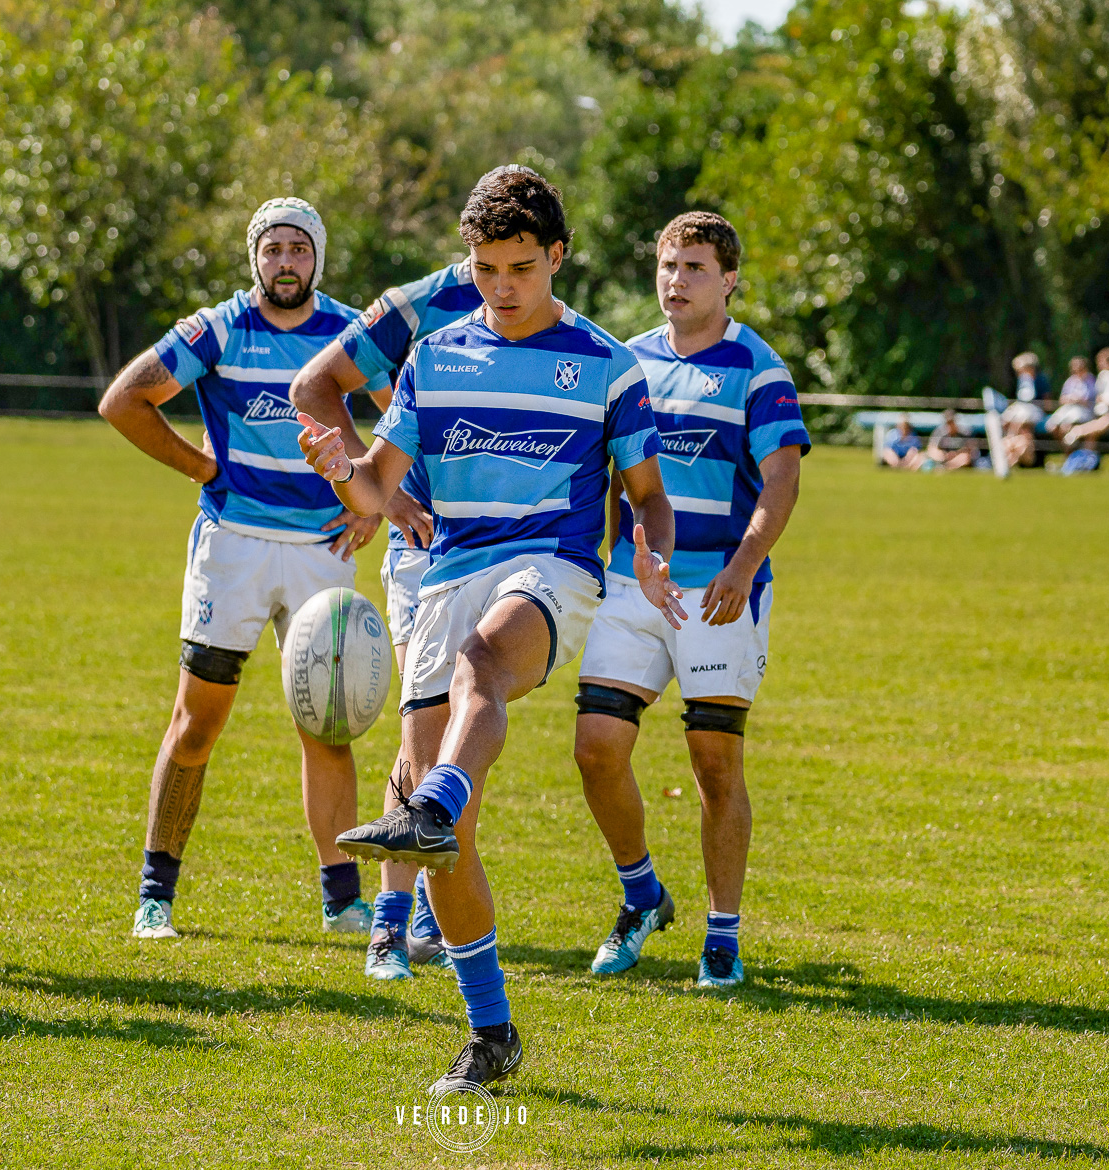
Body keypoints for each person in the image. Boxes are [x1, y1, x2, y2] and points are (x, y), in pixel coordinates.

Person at [298, 167, 685, 1090]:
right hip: (447, 575)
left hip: (552, 568)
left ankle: (430, 801)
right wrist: (333, 463)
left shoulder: (606, 365)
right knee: (448, 841)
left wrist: (653, 552)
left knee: (482, 673)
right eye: (484, 269)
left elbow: (649, 496)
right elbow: (379, 488)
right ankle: (493, 1033)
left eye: (519, 266)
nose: (501, 287)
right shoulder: (435, 358)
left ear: (556, 257)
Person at [99, 198, 387, 942]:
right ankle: (155, 897)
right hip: (234, 547)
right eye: (272, 249)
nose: (284, 261)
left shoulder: (351, 335)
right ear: (254, 258)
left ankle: (341, 900)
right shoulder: (219, 327)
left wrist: (373, 502)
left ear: (317, 258)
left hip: (325, 549)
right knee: (197, 722)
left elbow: (403, 419)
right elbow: (124, 400)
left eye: (298, 248)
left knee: (328, 724)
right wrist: (201, 464)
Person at [572, 212, 807, 990]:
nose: (677, 280)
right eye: (668, 265)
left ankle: (723, 938)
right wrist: (609, 562)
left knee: (713, 763)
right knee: (596, 747)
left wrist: (744, 565)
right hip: (638, 585)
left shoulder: (759, 368)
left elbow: (782, 481)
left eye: (696, 267)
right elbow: (611, 476)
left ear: (731, 278)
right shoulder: (627, 362)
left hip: (720, 591)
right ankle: (641, 897)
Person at [289, 218, 504, 981]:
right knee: (424, 732)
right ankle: (392, 928)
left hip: (505, 557)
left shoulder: (535, 310)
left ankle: (419, 921)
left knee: (456, 735)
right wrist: (379, 493)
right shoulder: (416, 306)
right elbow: (312, 385)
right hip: (424, 556)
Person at [1000, 352, 1048, 467]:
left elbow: (1046, 401)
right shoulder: (1022, 380)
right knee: (1006, 419)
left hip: (1035, 410)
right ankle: (1010, 443)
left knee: (1022, 420)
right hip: (1022, 409)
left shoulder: (1041, 380)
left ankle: (1012, 440)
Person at [1044, 357, 1095, 436]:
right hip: (1068, 409)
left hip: (1084, 412)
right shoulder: (1070, 380)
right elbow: (1062, 399)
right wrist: (1070, 399)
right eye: (1074, 370)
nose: (1077, 372)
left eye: (1080, 369)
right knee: (1052, 426)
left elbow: (1090, 401)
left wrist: (1078, 400)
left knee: (1066, 426)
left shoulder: (1092, 380)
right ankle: (1064, 447)